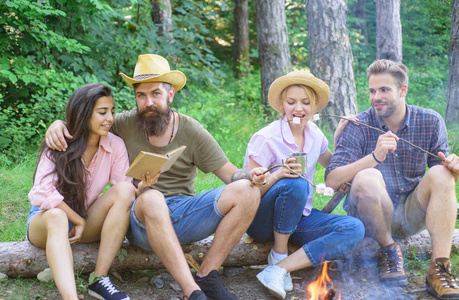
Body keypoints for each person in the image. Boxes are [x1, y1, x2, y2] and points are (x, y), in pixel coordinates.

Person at [45, 54, 269, 300]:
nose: (148, 102)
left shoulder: (191, 130)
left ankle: (207, 275)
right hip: (140, 216)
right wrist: (58, 124)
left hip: (185, 213)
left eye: (155, 94)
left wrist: (250, 174)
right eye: (141, 95)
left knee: (247, 190)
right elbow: (88, 121)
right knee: (152, 198)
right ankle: (192, 293)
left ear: (170, 94)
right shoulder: (122, 123)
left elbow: (230, 173)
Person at [325, 59, 459, 299]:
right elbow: (332, 180)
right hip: (368, 216)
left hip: (410, 213)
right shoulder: (358, 124)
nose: (376, 96)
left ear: (403, 90)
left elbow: (441, 183)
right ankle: (389, 250)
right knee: (368, 175)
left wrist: (453, 171)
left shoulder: (430, 121)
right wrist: (374, 157)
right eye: (372, 91)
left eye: (384, 90)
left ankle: (439, 269)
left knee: (441, 173)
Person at [28, 83, 159, 300]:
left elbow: (122, 191)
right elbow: (40, 193)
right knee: (57, 216)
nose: (110, 118)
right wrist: (76, 220)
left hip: (85, 219)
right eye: (102, 112)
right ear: (83, 113)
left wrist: (141, 189)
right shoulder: (60, 141)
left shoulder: (115, 145)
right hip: (45, 223)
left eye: (112, 112)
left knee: (126, 188)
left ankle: (99, 279)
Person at [243, 70, 365, 299]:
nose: (298, 108)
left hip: (299, 217)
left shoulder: (315, 134)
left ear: (315, 106)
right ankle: (278, 254)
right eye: (291, 102)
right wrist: (278, 174)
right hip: (261, 219)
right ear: (282, 105)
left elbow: (332, 167)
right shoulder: (266, 138)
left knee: (354, 228)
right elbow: (246, 191)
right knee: (296, 184)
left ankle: (279, 269)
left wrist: (341, 135)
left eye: (305, 102)